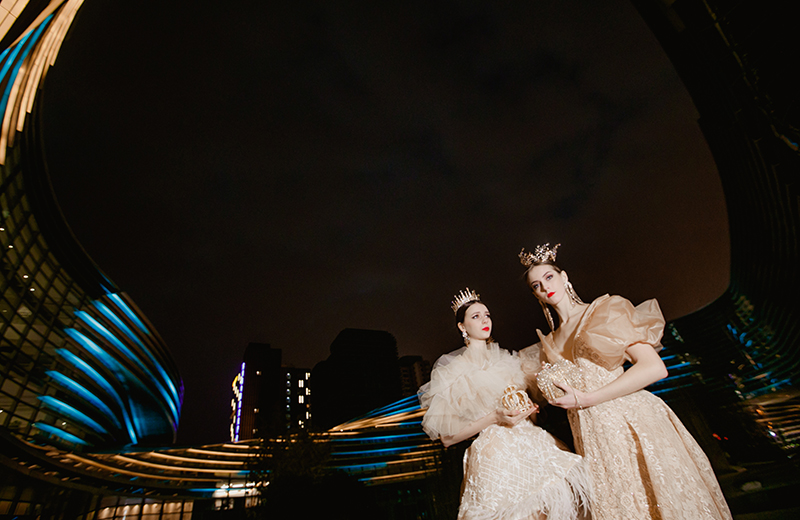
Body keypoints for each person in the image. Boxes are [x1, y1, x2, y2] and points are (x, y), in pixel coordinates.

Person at [519, 243, 732, 520]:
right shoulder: (548, 343)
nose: (545, 287)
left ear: (564, 277)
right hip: (593, 437)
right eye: (536, 285)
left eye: (549, 277)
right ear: (535, 295)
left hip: (632, 423)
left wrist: (588, 398)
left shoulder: (602, 312)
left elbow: (654, 367)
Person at [419, 288, 591, 520]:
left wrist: (530, 411)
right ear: (462, 326)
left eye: (487, 315)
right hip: (496, 457)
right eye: (476, 316)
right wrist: (495, 417)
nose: (484, 321)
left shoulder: (509, 360)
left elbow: (530, 414)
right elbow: (447, 439)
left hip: (535, 447)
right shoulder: (454, 371)